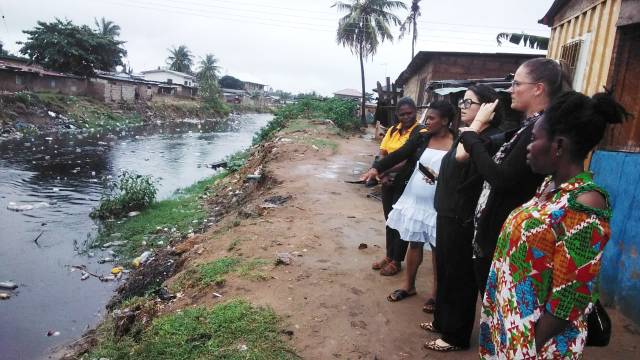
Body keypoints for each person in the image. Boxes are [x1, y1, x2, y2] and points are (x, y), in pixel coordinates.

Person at [479, 91, 627, 359]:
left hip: (537, 346)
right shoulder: (550, 188)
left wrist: (527, 347)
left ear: (558, 146)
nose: (527, 145)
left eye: (534, 139)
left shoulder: (586, 202)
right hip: (512, 334)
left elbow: (572, 294)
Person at [458, 58, 569, 297]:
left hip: (506, 238)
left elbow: (503, 178)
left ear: (538, 88)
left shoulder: (538, 128)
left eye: (517, 83)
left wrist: (472, 139)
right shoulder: (527, 126)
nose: (511, 90)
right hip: (496, 234)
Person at [423, 85, 504, 352]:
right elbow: (456, 169)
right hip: (447, 212)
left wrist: (479, 124)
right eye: (463, 101)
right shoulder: (467, 134)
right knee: (445, 271)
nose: (462, 106)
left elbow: (462, 163)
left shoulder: (485, 137)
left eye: (469, 102)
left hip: (462, 218)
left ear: (486, 108)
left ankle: (455, 336)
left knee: (459, 278)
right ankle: (442, 321)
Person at [362, 101, 455, 303]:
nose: (426, 121)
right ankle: (408, 286)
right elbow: (399, 154)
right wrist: (377, 168)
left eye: (431, 118)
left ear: (445, 121)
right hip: (415, 199)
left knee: (437, 250)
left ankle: (435, 295)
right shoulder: (422, 138)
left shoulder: (457, 143)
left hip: (438, 204)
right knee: (415, 244)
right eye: (426, 117)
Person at [371, 97, 425, 276]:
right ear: (397, 115)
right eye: (402, 114)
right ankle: (389, 255)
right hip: (387, 179)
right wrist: (382, 173)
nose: (406, 117)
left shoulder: (421, 132)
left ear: (415, 111)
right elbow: (383, 152)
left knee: (401, 221)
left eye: (409, 113)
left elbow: (409, 159)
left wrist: (384, 170)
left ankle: (397, 260)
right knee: (390, 219)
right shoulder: (393, 130)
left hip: (406, 180)